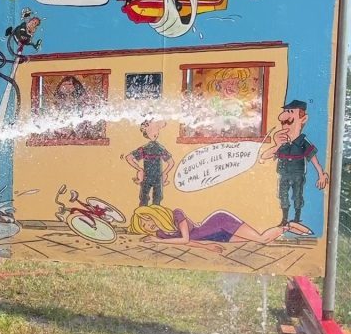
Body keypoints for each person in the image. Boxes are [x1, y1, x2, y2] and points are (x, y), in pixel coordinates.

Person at [128, 204, 312, 253]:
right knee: (259, 242)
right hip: (217, 237)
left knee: (261, 239)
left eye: (147, 220)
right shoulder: (161, 233)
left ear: (153, 213)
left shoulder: (176, 215)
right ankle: (286, 229)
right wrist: (207, 247)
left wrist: (158, 241)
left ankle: (289, 225)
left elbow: (184, 239)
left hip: (220, 223)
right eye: (143, 226)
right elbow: (188, 243)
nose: (148, 225)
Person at [259, 99, 330, 226]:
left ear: (303, 119)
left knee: (297, 195)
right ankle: (284, 219)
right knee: (283, 196)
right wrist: (277, 145)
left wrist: (321, 174)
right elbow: (264, 156)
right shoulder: (281, 141)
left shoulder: (303, 142)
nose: (285, 117)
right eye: (285, 111)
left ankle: (297, 219)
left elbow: (314, 159)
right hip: (283, 173)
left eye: (290, 112)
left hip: (298, 174)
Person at [125, 118, 175, 206]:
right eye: (151, 130)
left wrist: (139, 169)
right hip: (151, 178)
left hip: (151, 178)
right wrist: (139, 169)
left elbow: (129, 158)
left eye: (156, 129)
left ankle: (149, 216)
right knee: (152, 201)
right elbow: (128, 157)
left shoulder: (153, 148)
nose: (155, 133)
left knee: (149, 200)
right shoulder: (154, 148)